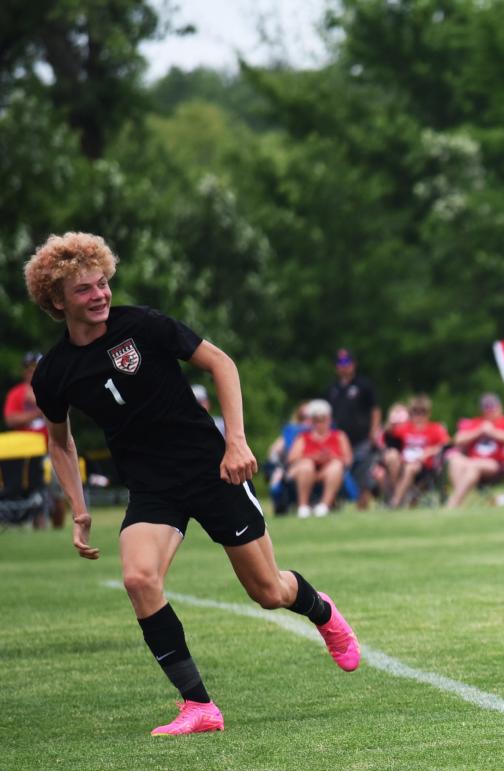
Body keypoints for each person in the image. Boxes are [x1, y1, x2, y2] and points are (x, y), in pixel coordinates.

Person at [24, 232, 360, 737]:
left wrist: (237, 442)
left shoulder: (143, 325)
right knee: (138, 578)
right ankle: (198, 705)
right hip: (152, 489)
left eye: (102, 284)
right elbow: (60, 441)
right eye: (83, 290)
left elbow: (221, 363)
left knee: (268, 591)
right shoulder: (54, 372)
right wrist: (79, 508)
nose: (99, 296)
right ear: (55, 300)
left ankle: (322, 609)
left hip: (212, 469)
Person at [4, 350, 66, 527]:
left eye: (36, 368)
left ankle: (58, 530)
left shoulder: (52, 389)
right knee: (33, 492)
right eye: (30, 369)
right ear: (25, 371)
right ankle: (39, 528)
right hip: (24, 456)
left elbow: (63, 416)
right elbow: (10, 419)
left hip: (50, 452)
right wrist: (37, 411)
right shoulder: (16, 394)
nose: (33, 372)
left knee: (58, 491)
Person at [324, 348, 381, 510]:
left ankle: (362, 505)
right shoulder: (332, 389)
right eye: (340, 363)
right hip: (339, 441)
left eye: (347, 362)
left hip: (361, 438)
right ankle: (331, 503)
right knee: (337, 470)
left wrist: (374, 431)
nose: (344, 366)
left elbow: (375, 409)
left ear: (353, 364)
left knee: (363, 472)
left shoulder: (363, 385)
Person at [445, 393, 504, 508]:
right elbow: (457, 439)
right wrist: (479, 432)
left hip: (496, 465)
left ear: (500, 407)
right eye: (487, 408)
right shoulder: (477, 422)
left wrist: (493, 432)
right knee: (455, 460)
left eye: (493, 408)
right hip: (472, 463)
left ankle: (452, 504)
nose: (490, 411)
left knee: (472, 466)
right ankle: (458, 500)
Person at [286, 398, 352, 517]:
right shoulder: (303, 437)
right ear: (312, 421)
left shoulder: (339, 436)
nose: (320, 423)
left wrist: (332, 457)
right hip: (306, 472)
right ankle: (303, 506)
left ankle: (324, 506)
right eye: (316, 420)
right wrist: (313, 457)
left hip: (328, 472)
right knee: (307, 464)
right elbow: (292, 459)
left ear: (329, 419)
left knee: (336, 466)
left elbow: (348, 460)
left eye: (323, 419)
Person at [381, 394, 449, 508]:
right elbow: (386, 437)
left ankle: (395, 502)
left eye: (422, 412)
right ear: (410, 413)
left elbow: (446, 444)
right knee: (391, 456)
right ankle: (398, 495)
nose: (419, 415)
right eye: (415, 412)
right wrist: (392, 419)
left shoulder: (435, 428)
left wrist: (428, 452)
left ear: (428, 413)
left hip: (424, 467)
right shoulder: (405, 428)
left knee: (411, 467)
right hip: (402, 464)